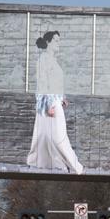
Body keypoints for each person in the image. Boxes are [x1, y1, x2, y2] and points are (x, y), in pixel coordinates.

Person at [27, 30, 83, 174]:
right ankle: (78, 168)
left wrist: (62, 97)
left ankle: (48, 164)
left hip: (53, 101)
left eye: (59, 40)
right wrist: (49, 104)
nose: (59, 43)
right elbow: (43, 84)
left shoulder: (51, 59)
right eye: (56, 41)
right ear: (48, 43)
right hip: (47, 102)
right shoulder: (43, 60)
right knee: (59, 136)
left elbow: (55, 83)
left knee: (46, 135)